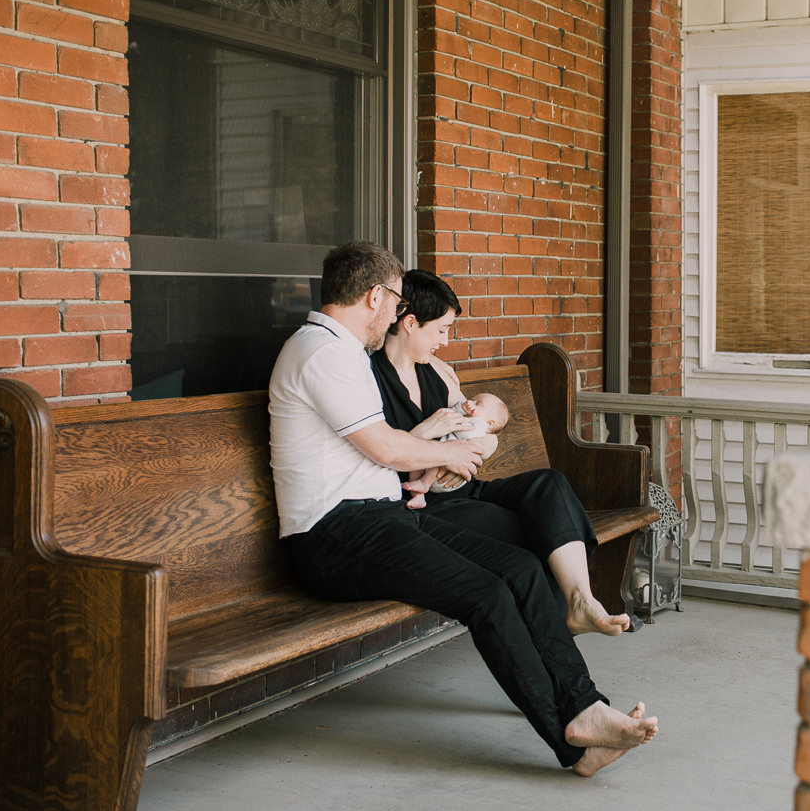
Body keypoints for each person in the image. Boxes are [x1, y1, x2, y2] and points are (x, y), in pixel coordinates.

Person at [269, 241, 656, 776]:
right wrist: (449, 453)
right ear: (376, 296)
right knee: (486, 593)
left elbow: (387, 447)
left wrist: (456, 446)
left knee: (520, 568)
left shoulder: (340, 352)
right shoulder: (321, 352)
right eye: (398, 299)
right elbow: (385, 447)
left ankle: (585, 705)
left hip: (377, 519)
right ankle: (572, 740)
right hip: (334, 534)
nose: (399, 312)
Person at [370, 269, 631, 637]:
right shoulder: (369, 378)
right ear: (411, 323)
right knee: (534, 529)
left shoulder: (439, 374)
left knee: (549, 485)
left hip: (465, 485)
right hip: (424, 507)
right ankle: (561, 622)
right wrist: (436, 451)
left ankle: (582, 599)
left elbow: (487, 435)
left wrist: (467, 450)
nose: (445, 341)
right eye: (441, 330)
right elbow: (378, 453)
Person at [400, 391, 510, 508]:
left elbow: (457, 428)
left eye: (478, 404)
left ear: (490, 423)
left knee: (449, 451)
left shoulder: (479, 426)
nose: (470, 402)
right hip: (435, 465)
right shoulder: (469, 418)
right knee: (417, 463)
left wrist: (451, 421)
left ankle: (424, 483)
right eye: (472, 399)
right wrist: (461, 408)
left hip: (445, 474)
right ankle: (418, 497)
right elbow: (450, 416)